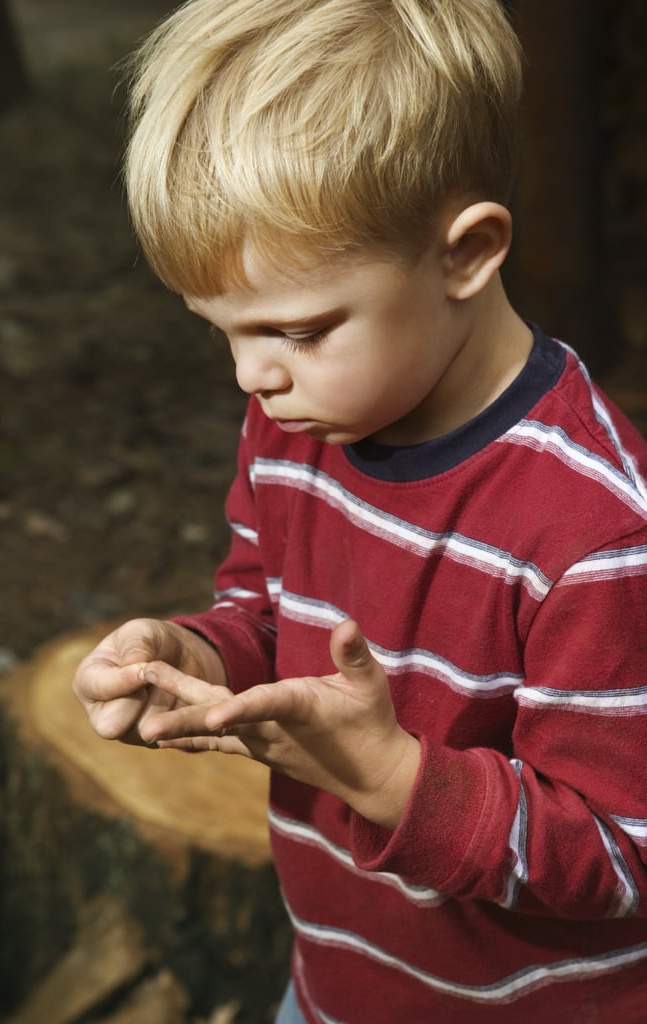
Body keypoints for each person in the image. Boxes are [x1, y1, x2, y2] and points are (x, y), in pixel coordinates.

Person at [72, 1, 647, 1021]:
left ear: (464, 254)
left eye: (296, 329)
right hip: (335, 982)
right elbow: (261, 613)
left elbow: (619, 854)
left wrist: (394, 781)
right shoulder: (299, 425)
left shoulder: (594, 534)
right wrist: (195, 661)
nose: (253, 376)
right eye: (224, 333)